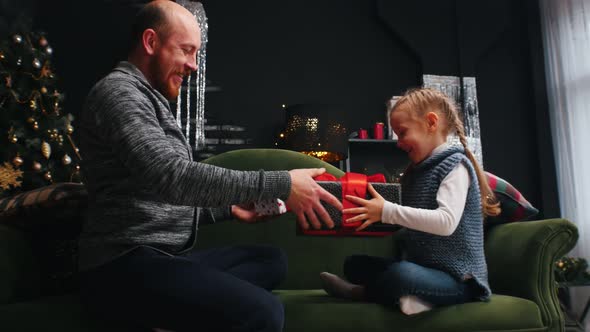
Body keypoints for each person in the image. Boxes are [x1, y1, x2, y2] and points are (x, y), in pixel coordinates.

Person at [77, 1, 342, 331]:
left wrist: (229, 209)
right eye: (186, 51)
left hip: (161, 258)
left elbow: (158, 198)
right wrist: (282, 183)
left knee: (270, 261)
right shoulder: (118, 93)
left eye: (196, 54)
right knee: (265, 312)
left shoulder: (150, 98)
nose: (193, 66)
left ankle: (170, 316)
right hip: (121, 265)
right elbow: (172, 178)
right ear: (150, 42)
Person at [319, 88, 500, 315]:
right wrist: (370, 217)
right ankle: (414, 298)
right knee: (354, 264)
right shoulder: (416, 172)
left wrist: (387, 211)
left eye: (402, 132)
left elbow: (446, 223)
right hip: (424, 269)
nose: (398, 142)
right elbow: (408, 220)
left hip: (459, 280)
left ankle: (363, 293)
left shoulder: (454, 165)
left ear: (431, 123)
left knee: (400, 276)